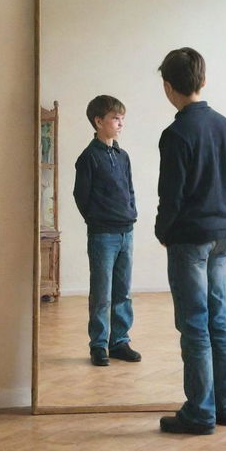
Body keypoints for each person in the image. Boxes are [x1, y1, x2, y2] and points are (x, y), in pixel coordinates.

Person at [155, 47, 226, 434]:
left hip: (189, 238)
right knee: (218, 319)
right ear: (203, 81)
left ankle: (200, 412)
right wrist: (221, 216)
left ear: (168, 87)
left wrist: (163, 231)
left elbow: (170, 195)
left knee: (194, 323)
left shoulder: (176, 134)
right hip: (221, 233)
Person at [73, 95, 141, 367]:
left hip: (127, 232)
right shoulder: (88, 157)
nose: (120, 122)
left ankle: (120, 341)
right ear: (98, 121)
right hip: (103, 235)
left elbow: (130, 190)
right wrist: (97, 219)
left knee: (123, 291)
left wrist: (131, 212)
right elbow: (81, 195)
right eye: (115, 118)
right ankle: (99, 345)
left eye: (122, 117)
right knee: (102, 292)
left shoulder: (123, 156)